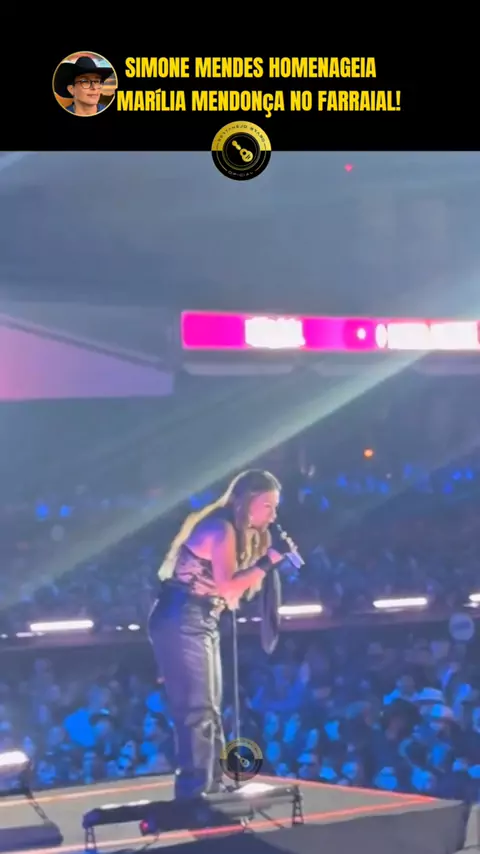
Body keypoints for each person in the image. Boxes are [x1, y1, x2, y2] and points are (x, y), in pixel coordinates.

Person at [148, 469, 284, 800]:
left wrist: (264, 563)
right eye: (267, 506)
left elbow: (231, 593)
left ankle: (213, 784)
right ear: (246, 501)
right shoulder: (221, 529)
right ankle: (195, 792)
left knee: (209, 708)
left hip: (199, 617)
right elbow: (228, 587)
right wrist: (268, 561)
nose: (273, 515)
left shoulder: (239, 533)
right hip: (182, 615)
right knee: (197, 709)